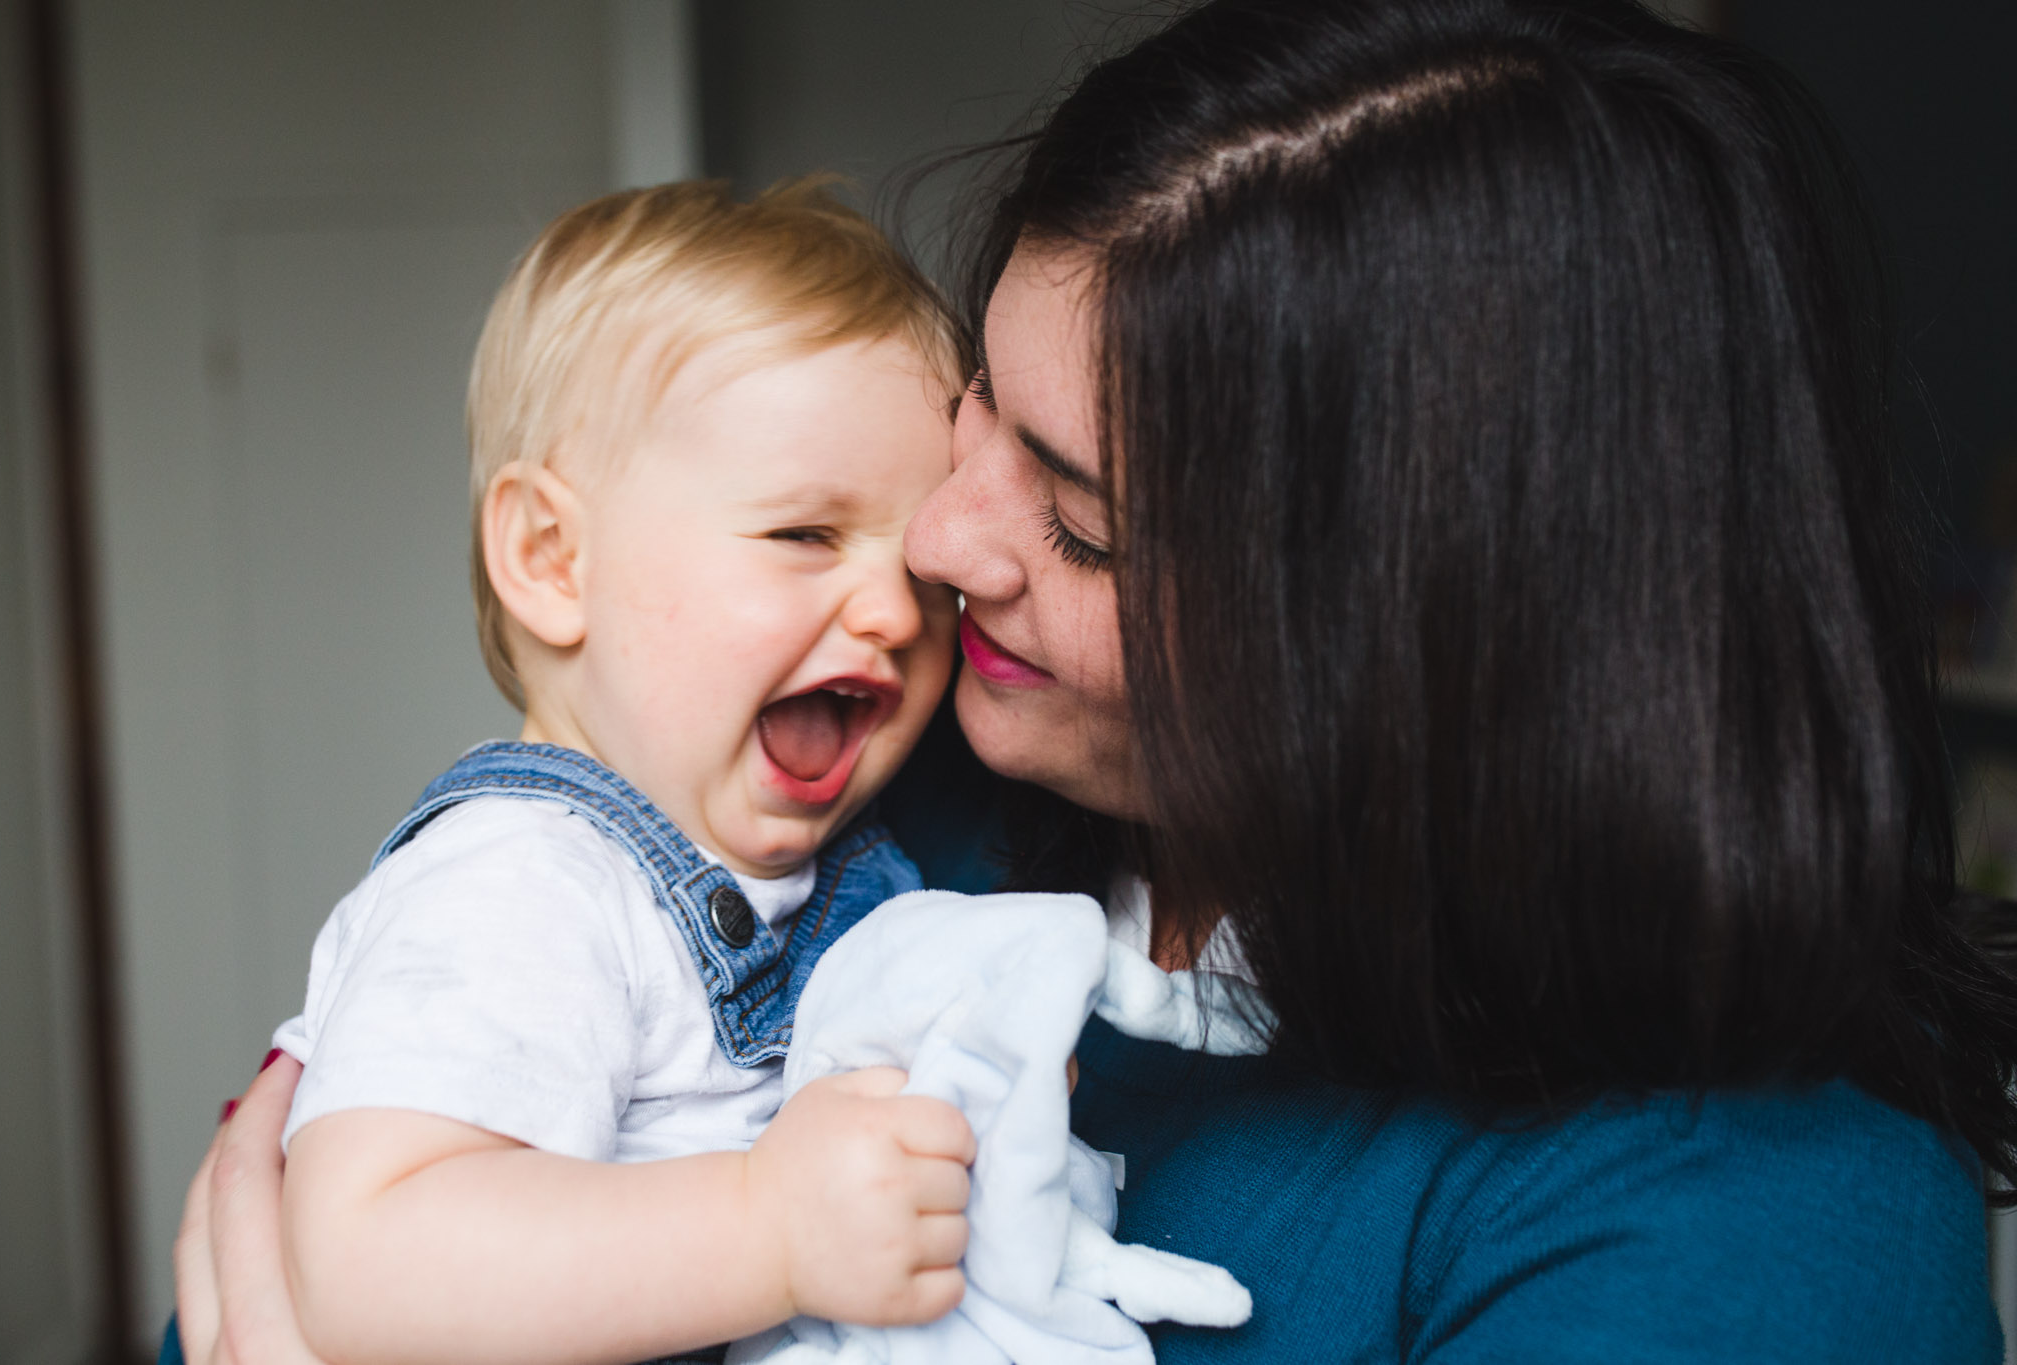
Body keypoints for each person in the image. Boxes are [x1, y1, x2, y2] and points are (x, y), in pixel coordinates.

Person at [176, 0, 2017, 1360]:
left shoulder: (1745, 1237)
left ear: (1411, 641)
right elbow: (327, 1245)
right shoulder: (887, 791)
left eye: (1083, 524)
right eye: (972, 412)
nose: (942, 553)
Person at [254, 179, 981, 1365]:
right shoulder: (524, 883)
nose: (898, 610)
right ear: (551, 558)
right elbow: (365, 1254)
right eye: (805, 534)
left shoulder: (836, 864)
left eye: (927, 571)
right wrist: (765, 1228)